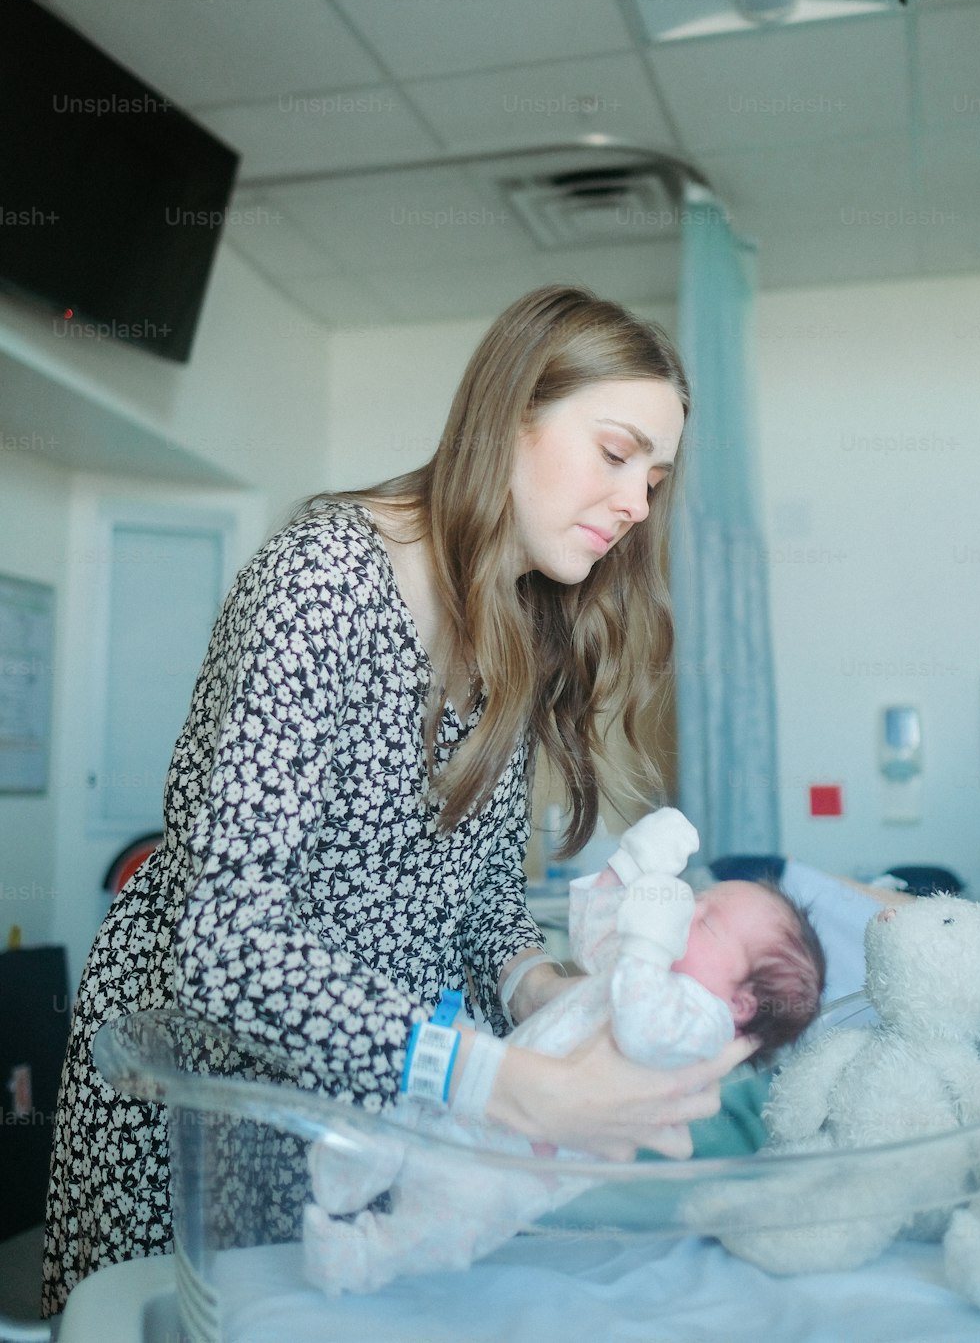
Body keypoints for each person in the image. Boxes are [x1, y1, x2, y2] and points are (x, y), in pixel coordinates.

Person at [42, 284, 755, 1316]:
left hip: (362, 1112)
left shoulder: (515, 627)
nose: (639, 503)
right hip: (199, 1110)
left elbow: (478, 905)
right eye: (615, 453)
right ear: (510, 414)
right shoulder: (323, 579)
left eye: (654, 477)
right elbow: (222, 944)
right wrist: (505, 1083)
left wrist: (540, 996)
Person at [302, 806, 824, 1296]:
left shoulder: (699, 1024)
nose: (687, 908)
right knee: (411, 1119)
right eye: (696, 897)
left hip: (515, 1170)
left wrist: (649, 939)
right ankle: (352, 1170)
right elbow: (593, 938)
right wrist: (632, 865)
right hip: (499, 1096)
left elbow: (641, 1025)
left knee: (448, 1220)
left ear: (740, 1003)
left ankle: (362, 1257)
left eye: (707, 921)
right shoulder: (650, 970)